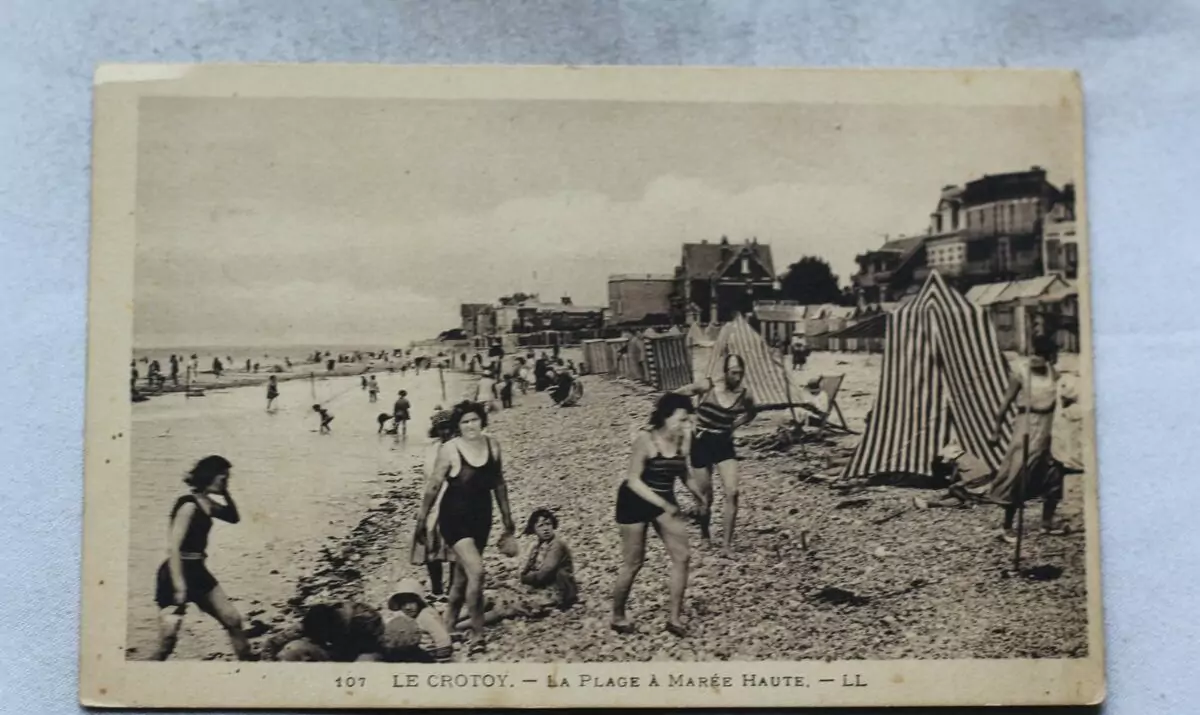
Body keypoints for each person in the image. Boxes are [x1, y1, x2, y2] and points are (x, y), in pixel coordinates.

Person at [414, 401, 516, 654]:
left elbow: (499, 483)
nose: (471, 426)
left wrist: (507, 519)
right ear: (458, 426)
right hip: (454, 518)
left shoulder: (493, 445)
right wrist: (421, 520)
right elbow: (434, 486)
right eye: (465, 422)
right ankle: (478, 635)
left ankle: (447, 628)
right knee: (477, 572)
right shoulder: (450, 449)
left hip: (482, 518)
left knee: (461, 579)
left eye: (474, 420)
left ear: (482, 421)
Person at [611, 392, 703, 637]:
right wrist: (664, 504)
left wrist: (699, 496)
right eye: (680, 420)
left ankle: (674, 618)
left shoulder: (684, 439)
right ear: (664, 417)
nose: (685, 425)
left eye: (687, 420)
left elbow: (684, 473)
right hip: (634, 500)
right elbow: (633, 480)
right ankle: (617, 615)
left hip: (664, 500)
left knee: (682, 557)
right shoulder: (646, 439)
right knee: (634, 562)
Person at [151, 455, 252, 661]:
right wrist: (180, 587)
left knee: (233, 620)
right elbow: (174, 548)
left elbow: (233, 517)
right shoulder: (188, 505)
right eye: (223, 479)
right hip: (175, 573)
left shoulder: (206, 503)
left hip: (198, 571)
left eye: (227, 479)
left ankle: (248, 665)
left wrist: (226, 493)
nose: (225, 482)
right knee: (167, 643)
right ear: (210, 476)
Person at [987, 336, 1068, 543]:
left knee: (1053, 470)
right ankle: (1007, 526)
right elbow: (1005, 404)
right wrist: (996, 431)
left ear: (1049, 357)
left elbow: (1062, 399)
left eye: (1040, 355)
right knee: (1019, 470)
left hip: (1049, 425)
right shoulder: (1021, 372)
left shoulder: (1053, 373)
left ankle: (1047, 523)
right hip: (1027, 423)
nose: (1034, 358)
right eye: (1032, 353)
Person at [676, 354, 758, 554]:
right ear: (725, 372)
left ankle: (726, 545)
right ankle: (705, 535)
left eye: (740, 373)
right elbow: (683, 393)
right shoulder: (709, 386)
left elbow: (751, 413)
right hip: (701, 442)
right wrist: (687, 414)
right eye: (733, 373)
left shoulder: (745, 394)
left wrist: (735, 425)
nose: (737, 377)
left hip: (723, 443)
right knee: (705, 497)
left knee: (732, 492)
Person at [454, 508, 579, 631]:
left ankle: (460, 626)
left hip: (554, 592)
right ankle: (454, 619)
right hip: (538, 587)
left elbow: (544, 573)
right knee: (494, 596)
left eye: (548, 524)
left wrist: (525, 578)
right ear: (534, 529)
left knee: (506, 606)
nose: (546, 529)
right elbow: (526, 570)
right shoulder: (537, 546)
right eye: (541, 526)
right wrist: (521, 578)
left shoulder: (557, 545)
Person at [409, 409, 458, 597]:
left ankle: (453, 589)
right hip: (432, 501)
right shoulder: (431, 449)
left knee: (455, 546)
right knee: (430, 542)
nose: (445, 432)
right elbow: (427, 479)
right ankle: (437, 589)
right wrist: (421, 505)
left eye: (448, 427)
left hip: (454, 500)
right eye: (440, 428)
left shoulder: (460, 447)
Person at [263, 601, 386, 662]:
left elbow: (379, 645)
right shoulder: (311, 623)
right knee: (293, 650)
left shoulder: (363, 620)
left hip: (360, 651)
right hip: (334, 653)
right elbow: (272, 643)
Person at [383, 579, 455, 662]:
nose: (407, 607)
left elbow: (443, 638)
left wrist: (442, 661)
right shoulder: (413, 617)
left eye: (411, 602)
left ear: (419, 602)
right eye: (403, 604)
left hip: (430, 656)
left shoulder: (425, 616)